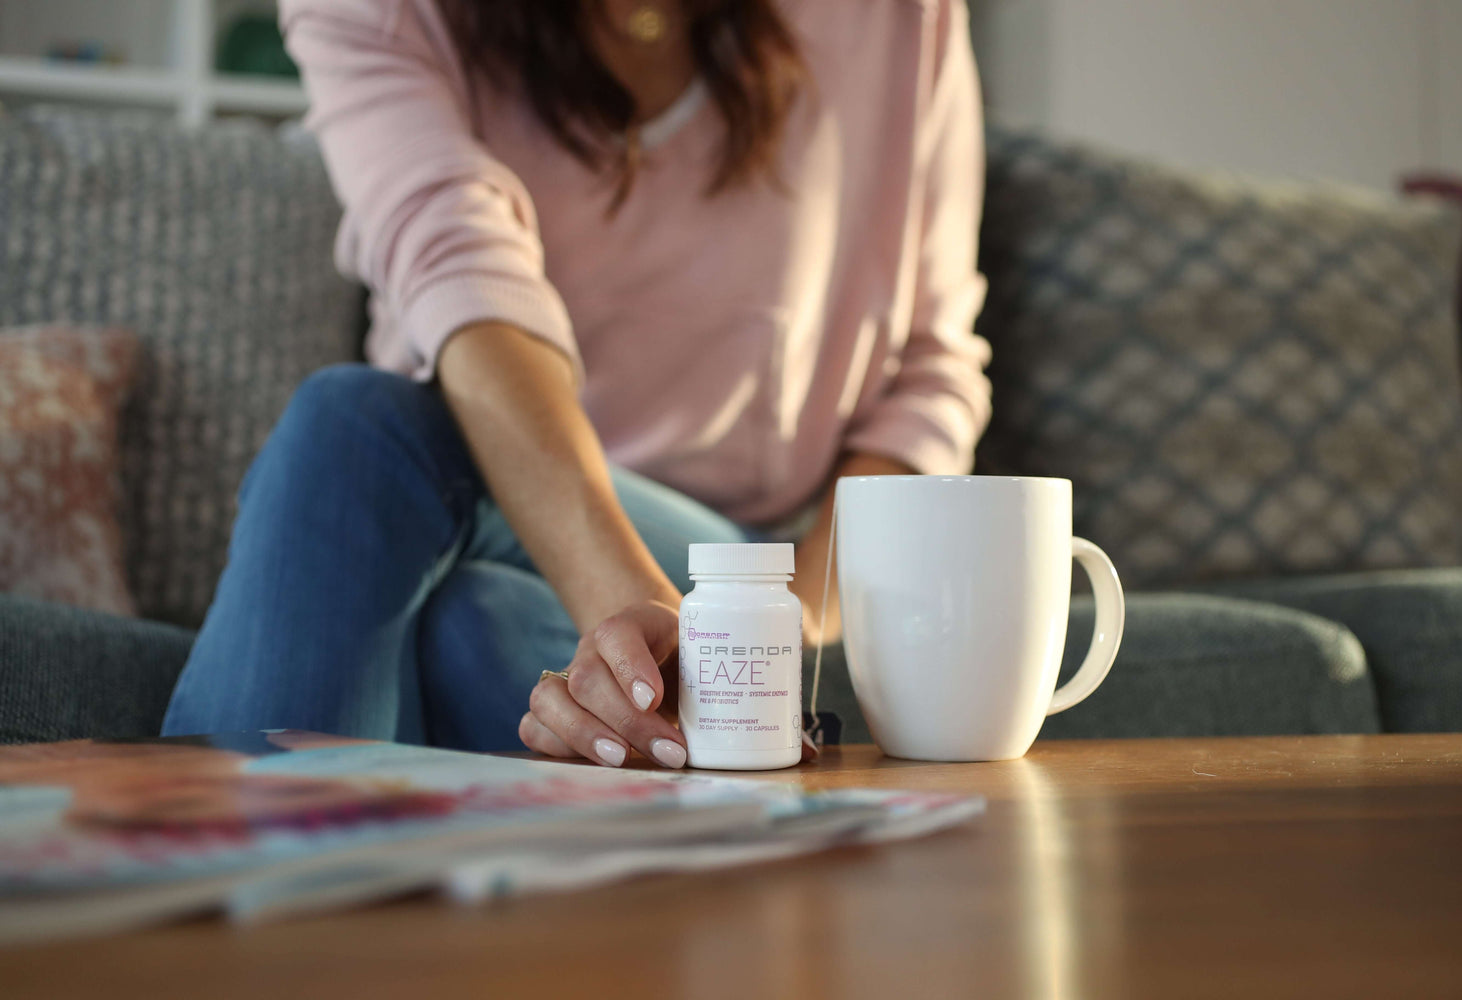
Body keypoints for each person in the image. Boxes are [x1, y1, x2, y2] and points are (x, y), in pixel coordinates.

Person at [161, 0, 992, 769]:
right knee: (387, 478)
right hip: (451, 502)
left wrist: (776, 644)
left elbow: (928, 370)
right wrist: (662, 640)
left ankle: (193, 889)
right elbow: (462, 277)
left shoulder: (897, 18)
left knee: (432, 577)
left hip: (737, 570)